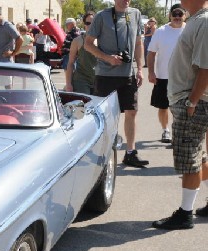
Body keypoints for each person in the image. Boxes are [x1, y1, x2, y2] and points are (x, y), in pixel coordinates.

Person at [152, 0, 208, 230]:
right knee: (196, 155)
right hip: (189, 100)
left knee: (189, 161)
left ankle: (185, 214)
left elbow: (206, 67)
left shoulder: (203, 22)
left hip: (193, 102)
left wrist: (192, 101)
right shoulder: (197, 20)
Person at [85, 0, 148, 168]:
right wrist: (108, 58)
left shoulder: (135, 14)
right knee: (103, 115)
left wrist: (140, 69)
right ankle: (101, 152)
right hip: (105, 74)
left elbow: (138, 43)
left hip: (128, 74)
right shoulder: (101, 16)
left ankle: (130, 153)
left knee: (132, 111)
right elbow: (88, 44)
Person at [147, 4, 186, 144]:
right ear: (170, 15)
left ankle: (178, 132)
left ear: (184, 15)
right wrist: (151, 72)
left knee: (182, 109)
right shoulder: (161, 31)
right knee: (163, 107)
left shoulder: (189, 30)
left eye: (180, 14)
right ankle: (166, 130)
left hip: (184, 79)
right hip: (163, 77)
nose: (177, 17)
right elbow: (151, 53)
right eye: (174, 14)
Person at [0, 7, 22, 89]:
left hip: (5, 62)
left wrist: (13, 53)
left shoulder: (8, 25)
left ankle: (10, 101)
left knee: (8, 88)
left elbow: (20, 39)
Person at [65, 12, 97, 94]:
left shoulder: (102, 41)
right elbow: (70, 63)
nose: (90, 25)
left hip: (98, 79)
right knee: (84, 104)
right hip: (81, 80)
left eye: (93, 23)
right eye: (87, 23)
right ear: (84, 24)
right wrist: (68, 84)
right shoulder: (77, 41)